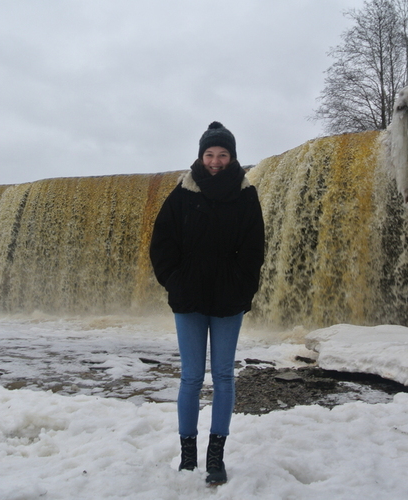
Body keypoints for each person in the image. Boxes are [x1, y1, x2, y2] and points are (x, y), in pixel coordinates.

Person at [149, 121, 265, 485]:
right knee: (191, 377)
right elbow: (162, 243)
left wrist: (242, 287)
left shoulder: (246, 195)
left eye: (222, 155)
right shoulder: (183, 193)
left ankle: (216, 457)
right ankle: (187, 457)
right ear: (201, 156)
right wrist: (175, 281)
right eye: (210, 154)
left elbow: (254, 249)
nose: (215, 161)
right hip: (190, 297)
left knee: (225, 377)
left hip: (229, 298)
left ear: (232, 158)